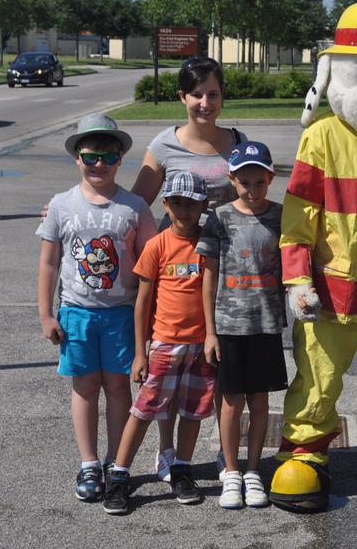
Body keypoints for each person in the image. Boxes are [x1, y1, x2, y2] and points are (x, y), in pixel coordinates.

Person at [129, 56, 247, 481]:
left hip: (229, 270)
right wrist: (80, 203)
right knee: (172, 366)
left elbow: (250, 198)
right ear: (182, 97)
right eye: (196, 94)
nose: (205, 102)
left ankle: (224, 449)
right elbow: (135, 203)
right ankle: (166, 450)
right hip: (176, 272)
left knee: (215, 365)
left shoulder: (236, 141)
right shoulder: (164, 145)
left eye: (213, 94)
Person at [36, 114, 156, 502]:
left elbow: (148, 264)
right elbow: (49, 262)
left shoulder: (134, 207)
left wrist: (149, 320)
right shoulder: (61, 204)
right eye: (91, 157)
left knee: (119, 388)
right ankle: (88, 462)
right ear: (77, 158)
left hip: (122, 313)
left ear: (121, 159)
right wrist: (45, 314)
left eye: (108, 156)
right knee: (85, 389)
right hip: (76, 314)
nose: (99, 165)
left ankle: (114, 462)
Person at [102, 171, 217, 514]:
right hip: (165, 344)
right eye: (177, 203)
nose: (184, 210)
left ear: (204, 205)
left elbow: (211, 291)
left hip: (200, 346)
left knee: (193, 410)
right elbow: (142, 302)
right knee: (145, 409)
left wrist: (211, 335)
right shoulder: (157, 246)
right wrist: (141, 352)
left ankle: (182, 468)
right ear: (165, 204)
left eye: (192, 203)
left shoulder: (208, 244)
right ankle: (120, 475)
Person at [195, 141, 288, 509]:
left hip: (266, 325)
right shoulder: (219, 218)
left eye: (259, 182)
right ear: (233, 179)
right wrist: (210, 331)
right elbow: (209, 277)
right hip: (230, 326)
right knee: (231, 401)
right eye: (245, 181)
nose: (252, 190)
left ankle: (253, 470)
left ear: (271, 177)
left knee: (260, 399)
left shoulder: (282, 216)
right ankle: (231, 471)